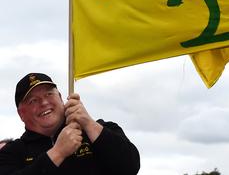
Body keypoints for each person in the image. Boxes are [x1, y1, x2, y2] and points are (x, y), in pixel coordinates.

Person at [0, 73, 140, 174]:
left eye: (49, 94)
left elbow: (130, 167)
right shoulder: (10, 153)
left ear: (60, 98)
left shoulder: (102, 129)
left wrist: (88, 123)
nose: (44, 102)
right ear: (21, 113)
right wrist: (58, 153)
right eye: (33, 100)